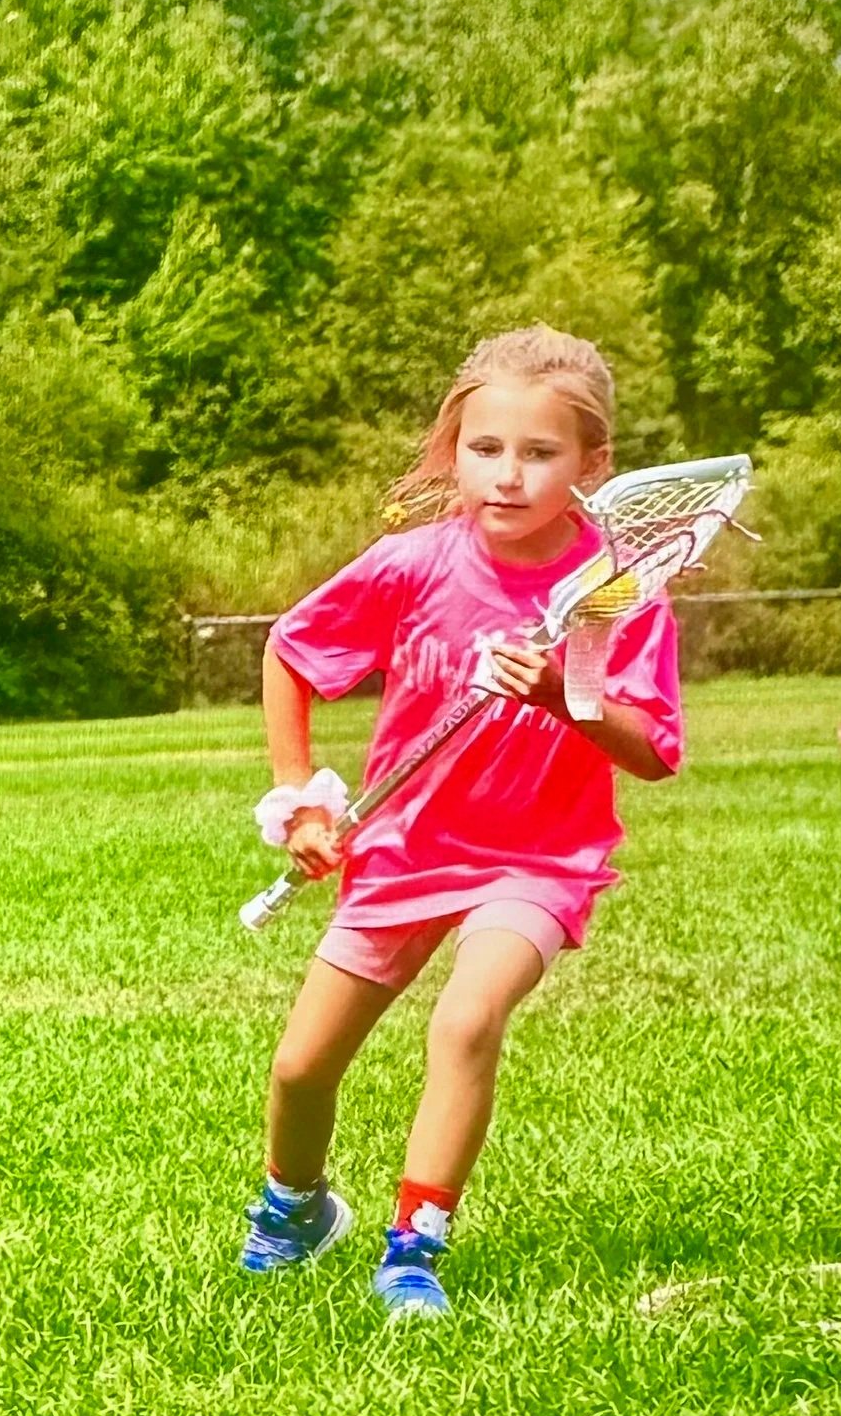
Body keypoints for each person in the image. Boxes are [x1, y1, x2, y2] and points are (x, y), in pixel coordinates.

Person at [238, 325, 682, 1318]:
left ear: (593, 463)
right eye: (486, 449)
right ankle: (296, 1207)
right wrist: (300, 793)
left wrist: (570, 700)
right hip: (405, 850)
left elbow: (651, 749)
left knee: (466, 1015)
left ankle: (413, 1246)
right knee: (301, 1067)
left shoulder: (615, 596)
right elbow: (291, 650)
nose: (509, 475)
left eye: (540, 453)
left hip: (537, 856)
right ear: (453, 450)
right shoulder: (413, 562)